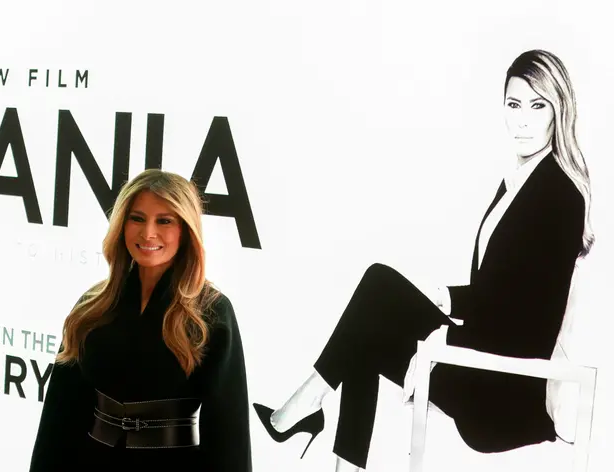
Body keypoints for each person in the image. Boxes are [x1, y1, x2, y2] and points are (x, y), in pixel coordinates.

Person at [252, 49, 594, 471]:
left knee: (376, 289)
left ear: (559, 111)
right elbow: (503, 291)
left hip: (500, 391)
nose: (522, 120)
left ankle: (302, 409)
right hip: (483, 366)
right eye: (513, 104)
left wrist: (447, 339)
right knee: (365, 330)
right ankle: (328, 443)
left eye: (537, 106)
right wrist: (444, 297)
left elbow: (530, 328)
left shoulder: (559, 195)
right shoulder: (523, 181)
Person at [29, 169, 252, 472]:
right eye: (137, 218)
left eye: (164, 221)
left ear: (185, 229)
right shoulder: (93, 305)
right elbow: (59, 416)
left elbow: (229, 434)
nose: (148, 233)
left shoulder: (211, 312)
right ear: (121, 224)